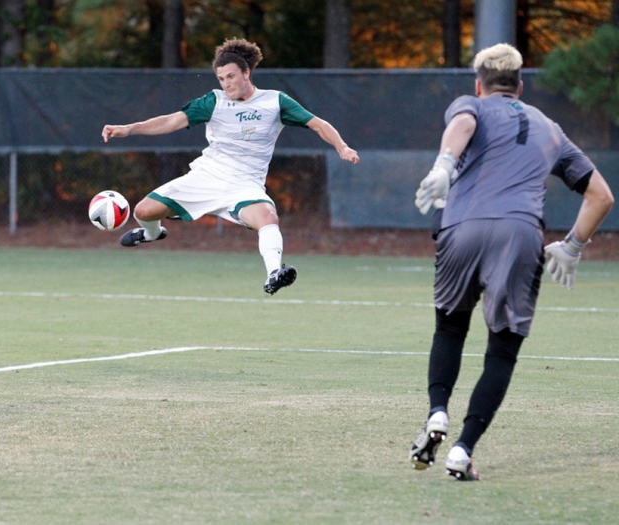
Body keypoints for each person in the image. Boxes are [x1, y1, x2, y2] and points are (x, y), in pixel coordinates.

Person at [409, 43, 614, 480]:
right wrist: (573, 245)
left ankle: (438, 413)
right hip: (519, 236)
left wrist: (445, 166)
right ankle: (462, 451)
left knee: (450, 326)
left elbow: (463, 123)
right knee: (501, 349)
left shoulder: (471, 106)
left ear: (478, 85)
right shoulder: (549, 128)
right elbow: (602, 195)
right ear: (520, 86)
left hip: (460, 227)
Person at [101, 38, 359, 295]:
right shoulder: (214, 101)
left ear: (246, 72)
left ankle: (273, 274)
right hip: (206, 178)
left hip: (244, 186)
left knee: (268, 218)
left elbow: (318, 124)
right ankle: (151, 234)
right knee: (143, 212)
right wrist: (129, 129)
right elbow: (171, 121)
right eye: (221, 79)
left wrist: (342, 147)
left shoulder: (275, 102)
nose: (226, 84)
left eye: (231, 77)